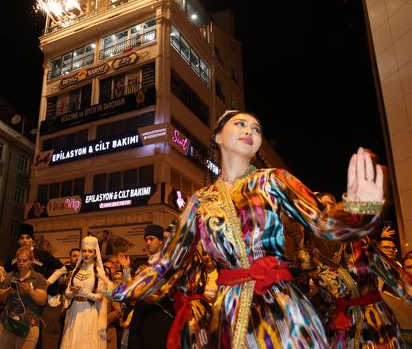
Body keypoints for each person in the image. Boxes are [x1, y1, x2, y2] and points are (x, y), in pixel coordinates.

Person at [110, 110, 387, 348]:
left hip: (281, 307)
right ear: (218, 137)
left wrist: (361, 211)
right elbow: (168, 262)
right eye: (240, 124)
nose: (250, 130)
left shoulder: (274, 181)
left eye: (256, 129)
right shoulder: (201, 201)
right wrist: (121, 291)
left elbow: (323, 222)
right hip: (229, 311)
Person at [116, 225, 177, 349]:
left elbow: (169, 289)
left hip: (159, 314)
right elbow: (131, 292)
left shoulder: (167, 263)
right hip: (141, 314)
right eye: (146, 239)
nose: (148, 242)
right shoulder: (141, 264)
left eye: (151, 239)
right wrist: (126, 269)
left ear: (160, 241)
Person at [5, 223, 63, 349]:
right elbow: (6, 273)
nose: (25, 240)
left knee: (35, 332)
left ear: (32, 239)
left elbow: (62, 268)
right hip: (17, 301)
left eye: (27, 237)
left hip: (38, 298)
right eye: (21, 238)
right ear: (18, 240)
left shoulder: (43, 254)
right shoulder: (12, 256)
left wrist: (48, 282)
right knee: (14, 333)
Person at [60, 236, 111, 349]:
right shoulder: (75, 270)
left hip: (88, 312)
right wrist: (73, 293)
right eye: (84, 251)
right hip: (74, 311)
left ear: (95, 253)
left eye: (90, 251)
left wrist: (82, 291)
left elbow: (99, 297)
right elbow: (67, 293)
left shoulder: (100, 272)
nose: (87, 254)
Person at [0, 246, 48, 349]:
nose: (21, 264)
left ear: (31, 261)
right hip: (7, 323)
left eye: (25, 261)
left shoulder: (38, 278)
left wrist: (30, 291)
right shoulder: (10, 276)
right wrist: (8, 292)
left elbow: (42, 301)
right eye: (19, 261)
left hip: (29, 325)